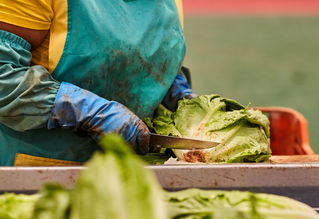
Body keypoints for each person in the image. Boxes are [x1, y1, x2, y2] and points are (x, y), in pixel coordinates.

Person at [0, 0, 195, 166]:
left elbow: (142, 54)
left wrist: (172, 86)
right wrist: (81, 109)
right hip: (37, 175)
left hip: (128, 175)